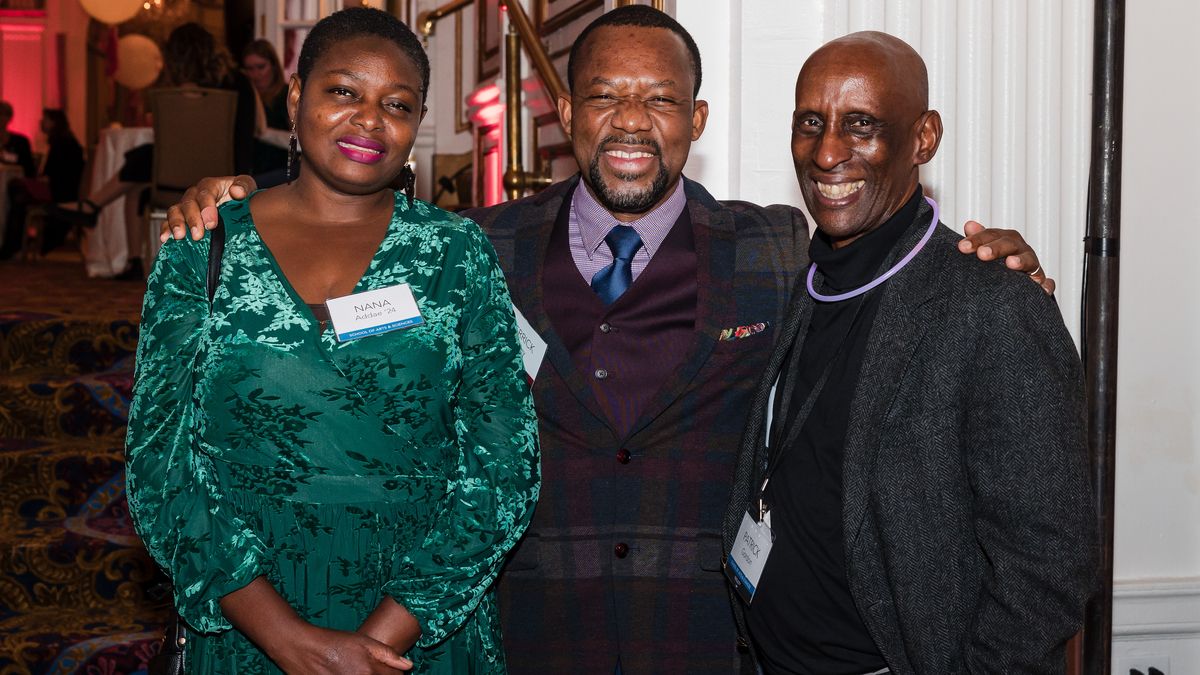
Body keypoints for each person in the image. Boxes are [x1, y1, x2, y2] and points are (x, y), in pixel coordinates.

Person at [159, 7, 1052, 673]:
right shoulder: (476, 249)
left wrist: (988, 263)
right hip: (526, 634)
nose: (632, 121)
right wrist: (228, 197)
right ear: (565, 110)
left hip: (712, 643)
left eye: (660, 99)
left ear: (695, 122)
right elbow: (340, 300)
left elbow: (888, 279)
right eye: (605, 96)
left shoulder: (779, 249)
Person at [126, 8, 539, 673]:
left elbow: (504, 466)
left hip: (419, 626)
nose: (370, 118)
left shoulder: (455, 254)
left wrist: (381, 640)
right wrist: (285, 635)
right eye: (344, 91)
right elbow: (157, 461)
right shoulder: (204, 246)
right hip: (247, 619)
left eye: (397, 103)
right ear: (296, 98)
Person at [722, 32, 1096, 674]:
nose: (828, 151)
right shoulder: (804, 280)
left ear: (923, 138)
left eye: (860, 125)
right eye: (811, 123)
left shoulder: (993, 304)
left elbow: (1048, 566)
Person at [52, 23, 260, 278]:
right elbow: (255, 129)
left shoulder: (172, 94)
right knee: (138, 176)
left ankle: (125, 250)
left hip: (176, 176)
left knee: (139, 163)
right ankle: (95, 209)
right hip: (227, 171)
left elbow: (176, 143)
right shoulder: (238, 82)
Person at [0, 109, 84, 259]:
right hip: (63, 189)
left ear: (53, 122)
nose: (40, 123)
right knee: (17, 192)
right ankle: (14, 243)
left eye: (44, 120)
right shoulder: (63, 141)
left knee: (16, 192)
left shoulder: (60, 144)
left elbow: (51, 174)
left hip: (60, 191)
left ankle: (12, 244)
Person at [242, 39, 292, 178]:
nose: (255, 74)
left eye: (261, 67)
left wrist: (265, 134)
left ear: (274, 66)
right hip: (248, 171)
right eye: (249, 69)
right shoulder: (246, 97)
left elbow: (299, 141)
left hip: (279, 172)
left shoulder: (287, 94)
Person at [0, 100, 35, 178]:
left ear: (9, 118)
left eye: (4, 114)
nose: (1, 118)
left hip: (15, 182)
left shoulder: (21, 142)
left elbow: (29, 169)